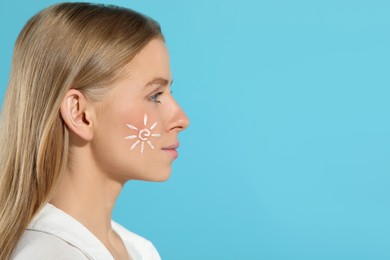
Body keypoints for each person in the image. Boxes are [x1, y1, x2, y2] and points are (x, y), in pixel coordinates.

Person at [0, 2, 189, 259]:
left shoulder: (139, 249)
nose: (181, 119)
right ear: (80, 114)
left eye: (169, 93)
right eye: (155, 95)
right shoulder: (51, 254)